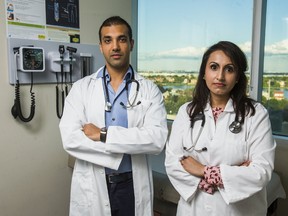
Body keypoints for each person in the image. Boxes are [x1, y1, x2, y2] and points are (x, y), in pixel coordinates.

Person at [59, 16, 168, 216]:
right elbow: (71, 139)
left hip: (132, 184)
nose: (115, 46)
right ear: (101, 46)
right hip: (93, 184)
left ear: (131, 44)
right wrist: (122, 150)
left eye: (122, 39)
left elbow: (156, 139)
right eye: (108, 40)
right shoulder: (81, 88)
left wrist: (103, 134)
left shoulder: (149, 90)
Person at [165, 41, 275, 215]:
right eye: (214, 67)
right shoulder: (187, 112)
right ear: (204, 73)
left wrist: (204, 171)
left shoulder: (255, 114)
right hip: (194, 209)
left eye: (229, 69)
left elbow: (261, 171)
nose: (220, 76)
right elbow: (173, 162)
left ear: (238, 76)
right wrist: (233, 174)